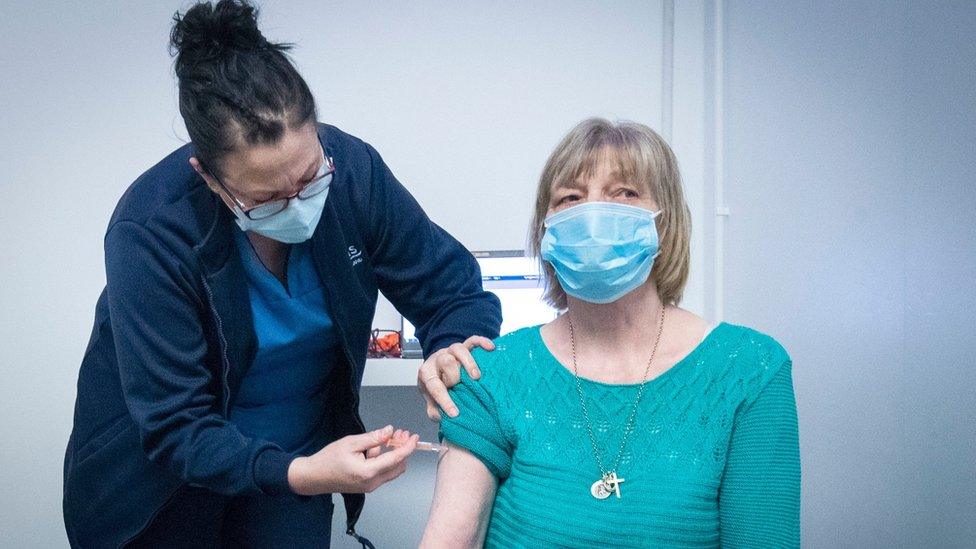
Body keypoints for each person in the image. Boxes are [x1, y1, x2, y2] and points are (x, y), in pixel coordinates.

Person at [62, 1, 500, 547]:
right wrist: (306, 475)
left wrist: (450, 347)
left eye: (310, 177)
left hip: (299, 459)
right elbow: (177, 427)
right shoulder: (152, 228)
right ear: (208, 175)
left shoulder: (354, 171)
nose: (299, 204)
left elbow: (451, 290)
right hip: (165, 486)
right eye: (267, 196)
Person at [422, 118, 800, 548]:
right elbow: (452, 537)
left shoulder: (749, 370)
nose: (594, 214)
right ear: (544, 231)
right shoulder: (489, 373)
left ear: (665, 221)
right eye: (570, 197)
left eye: (625, 193)